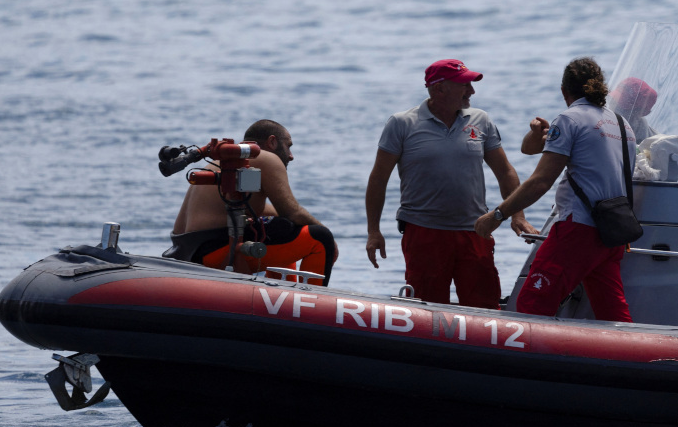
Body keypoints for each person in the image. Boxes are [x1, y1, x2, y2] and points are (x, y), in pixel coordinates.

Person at [474, 57, 637, 322]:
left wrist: (498, 215)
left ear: (565, 91)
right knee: (613, 313)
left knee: (532, 305)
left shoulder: (569, 119)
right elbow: (530, 149)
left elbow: (540, 181)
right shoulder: (621, 124)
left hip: (577, 232)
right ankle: (632, 359)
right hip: (611, 236)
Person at [365, 59, 535, 309]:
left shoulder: (481, 120)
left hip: (475, 230)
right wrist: (373, 231)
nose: (472, 92)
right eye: (464, 85)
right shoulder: (402, 123)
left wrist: (517, 215)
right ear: (438, 89)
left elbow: (505, 171)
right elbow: (378, 178)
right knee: (426, 309)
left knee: (484, 307)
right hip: (424, 233)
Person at [171, 119, 337, 285]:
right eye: (289, 146)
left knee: (282, 227)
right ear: (272, 141)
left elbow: (267, 211)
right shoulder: (266, 158)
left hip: (187, 251)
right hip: (216, 252)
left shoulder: (221, 162)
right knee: (321, 237)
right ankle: (309, 302)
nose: (291, 156)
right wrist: (331, 239)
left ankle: (282, 295)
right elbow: (292, 212)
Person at [610, 77, 658, 142]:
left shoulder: (646, 147)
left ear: (639, 113)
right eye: (613, 98)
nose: (611, 104)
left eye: (620, 105)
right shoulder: (608, 123)